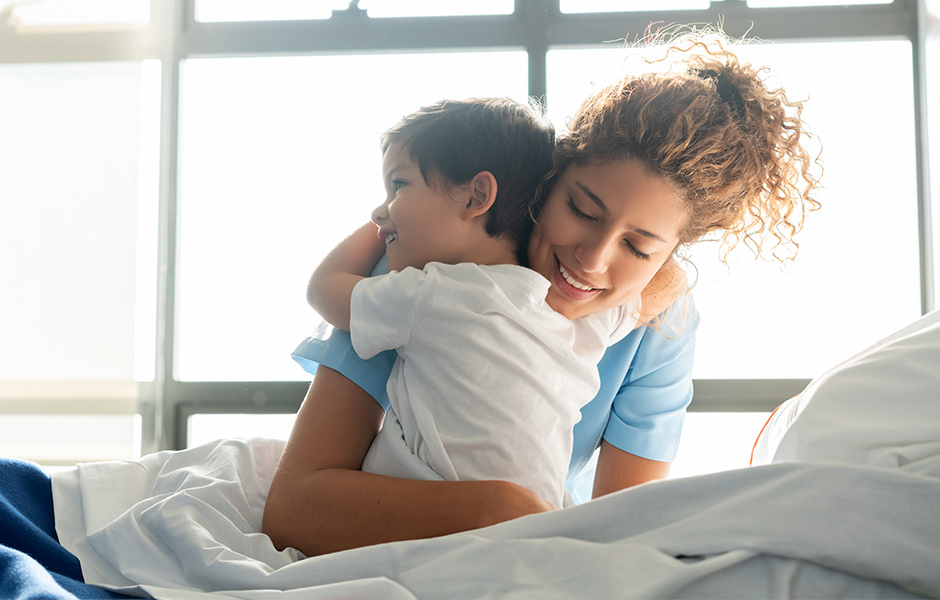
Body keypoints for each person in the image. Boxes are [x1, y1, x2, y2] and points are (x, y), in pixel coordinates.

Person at [263, 30, 821, 557]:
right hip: (429, 528)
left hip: (536, 543)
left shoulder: (657, 323)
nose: (593, 258)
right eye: (581, 210)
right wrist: (498, 509)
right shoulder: (423, 274)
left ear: (669, 256)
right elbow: (293, 509)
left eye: (640, 247)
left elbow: (622, 531)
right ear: (546, 183)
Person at [308, 98, 643, 510]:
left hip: (429, 530)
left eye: (398, 185)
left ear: (477, 195)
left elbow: (324, 288)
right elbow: (657, 292)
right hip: (544, 523)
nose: (380, 211)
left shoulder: (429, 294)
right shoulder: (583, 319)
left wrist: (381, 229)